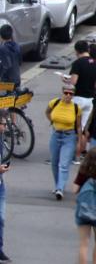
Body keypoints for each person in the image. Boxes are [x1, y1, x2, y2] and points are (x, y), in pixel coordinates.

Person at [47, 84, 82, 200]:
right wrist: (52, 121)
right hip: (56, 134)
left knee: (64, 164)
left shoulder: (76, 108)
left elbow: (78, 126)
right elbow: (47, 112)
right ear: (62, 92)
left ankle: (60, 189)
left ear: (73, 95)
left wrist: (80, 142)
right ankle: (58, 185)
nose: (67, 95)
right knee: (54, 162)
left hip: (69, 136)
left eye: (70, 93)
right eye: (65, 93)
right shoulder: (54, 103)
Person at [69, 41, 96, 163]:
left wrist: (66, 80)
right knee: (83, 129)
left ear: (77, 51)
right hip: (91, 99)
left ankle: (74, 155)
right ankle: (80, 155)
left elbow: (73, 82)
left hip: (78, 99)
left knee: (75, 129)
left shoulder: (77, 63)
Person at [0, 109, 10, 263]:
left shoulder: (1, 140)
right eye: (3, 123)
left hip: (0, 184)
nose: (5, 127)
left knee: (1, 218)